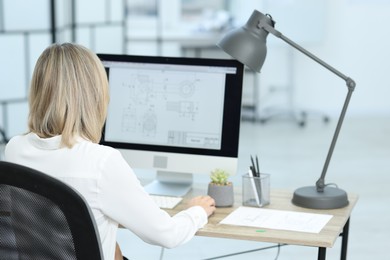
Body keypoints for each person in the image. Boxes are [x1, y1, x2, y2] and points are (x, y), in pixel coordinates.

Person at [4, 43, 216, 260]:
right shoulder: (101, 162)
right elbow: (168, 235)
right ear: (95, 96)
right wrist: (197, 211)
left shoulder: (14, 149)